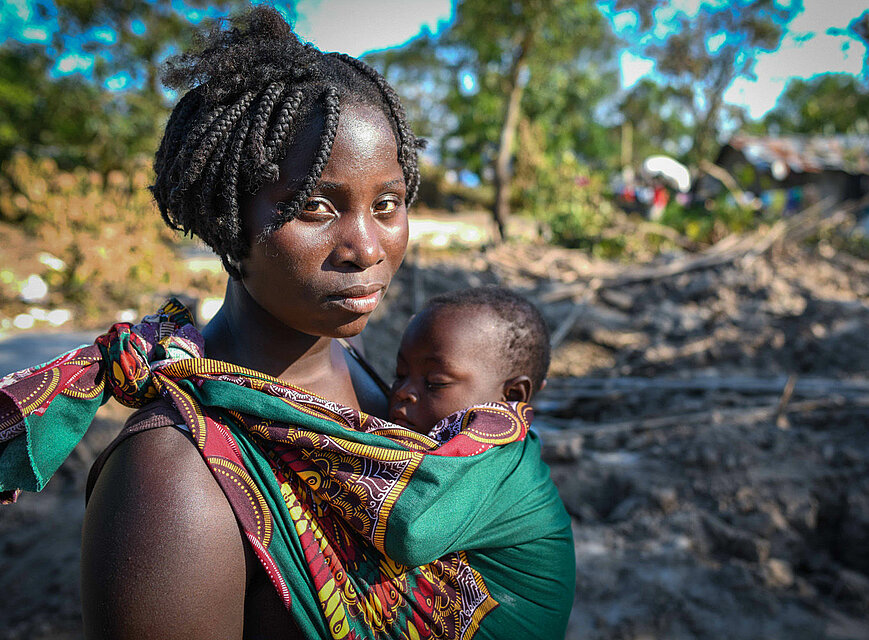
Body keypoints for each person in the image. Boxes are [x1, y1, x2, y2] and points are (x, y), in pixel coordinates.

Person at [0, 7, 574, 640]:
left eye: (388, 205)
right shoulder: (172, 484)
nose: (365, 248)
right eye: (315, 206)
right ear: (227, 218)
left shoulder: (359, 366)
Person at [389, 287, 551, 435]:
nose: (402, 392)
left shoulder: (495, 467)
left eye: (435, 383)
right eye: (400, 375)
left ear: (511, 397)